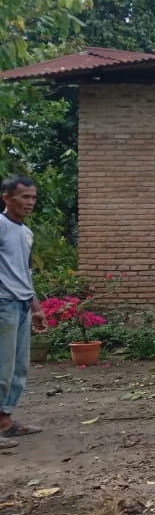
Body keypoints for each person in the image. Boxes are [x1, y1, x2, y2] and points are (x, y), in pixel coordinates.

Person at [0, 176, 46, 449]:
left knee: (18, 368)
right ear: (6, 197)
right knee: (1, 368)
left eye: (33, 197)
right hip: (3, 303)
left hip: (21, 305)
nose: (30, 202)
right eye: (25, 197)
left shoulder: (26, 233)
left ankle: (5, 422)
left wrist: (36, 307)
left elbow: (25, 274)